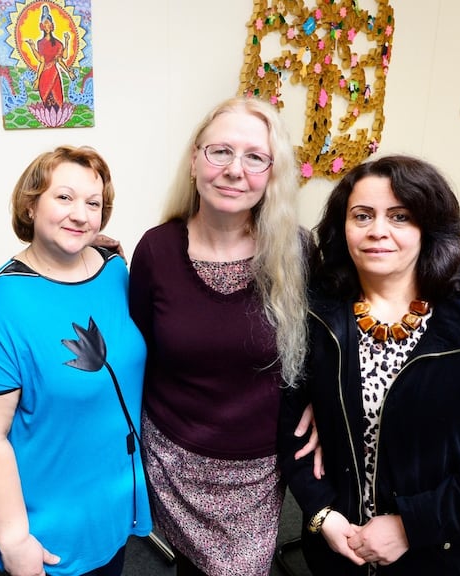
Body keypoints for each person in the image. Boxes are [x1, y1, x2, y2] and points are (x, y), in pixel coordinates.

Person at [279, 155, 460, 575]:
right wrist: (320, 514)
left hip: (433, 549)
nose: (377, 230)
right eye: (362, 215)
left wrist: (410, 526)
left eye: (400, 216)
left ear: (429, 227)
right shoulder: (315, 313)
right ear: (342, 227)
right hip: (336, 544)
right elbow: (287, 424)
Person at [129, 96, 314, 576]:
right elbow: (137, 354)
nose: (235, 170)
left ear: (272, 173)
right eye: (221, 151)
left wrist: (321, 401)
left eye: (255, 157)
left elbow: (321, 345)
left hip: (257, 469)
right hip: (173, 458)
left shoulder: (297, 250)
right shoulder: (156, 249)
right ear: (195, 160)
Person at [0, 145, 151, 576]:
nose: (81, 215)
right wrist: (14, 540)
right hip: (46, 529)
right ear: (31, 205)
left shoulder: (114, 270)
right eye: (64, 197)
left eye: (93, 204)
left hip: (112, 505)